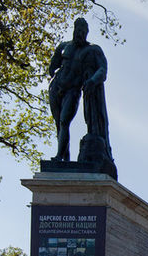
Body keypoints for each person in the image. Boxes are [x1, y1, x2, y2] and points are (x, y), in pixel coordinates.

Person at [48, 17, 116, 178]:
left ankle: (59, 156)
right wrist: (53, 77)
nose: (80, 34)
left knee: (64, 121)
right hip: (56, 87)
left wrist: (92, 80)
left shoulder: (92, 50)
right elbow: (53, 65)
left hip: (73, 89)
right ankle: (64, 158)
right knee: (59, 124)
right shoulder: (64, 47)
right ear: (74, 30)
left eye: (83, 31)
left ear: (86, 32)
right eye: (78, 30)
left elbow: (102, 70)